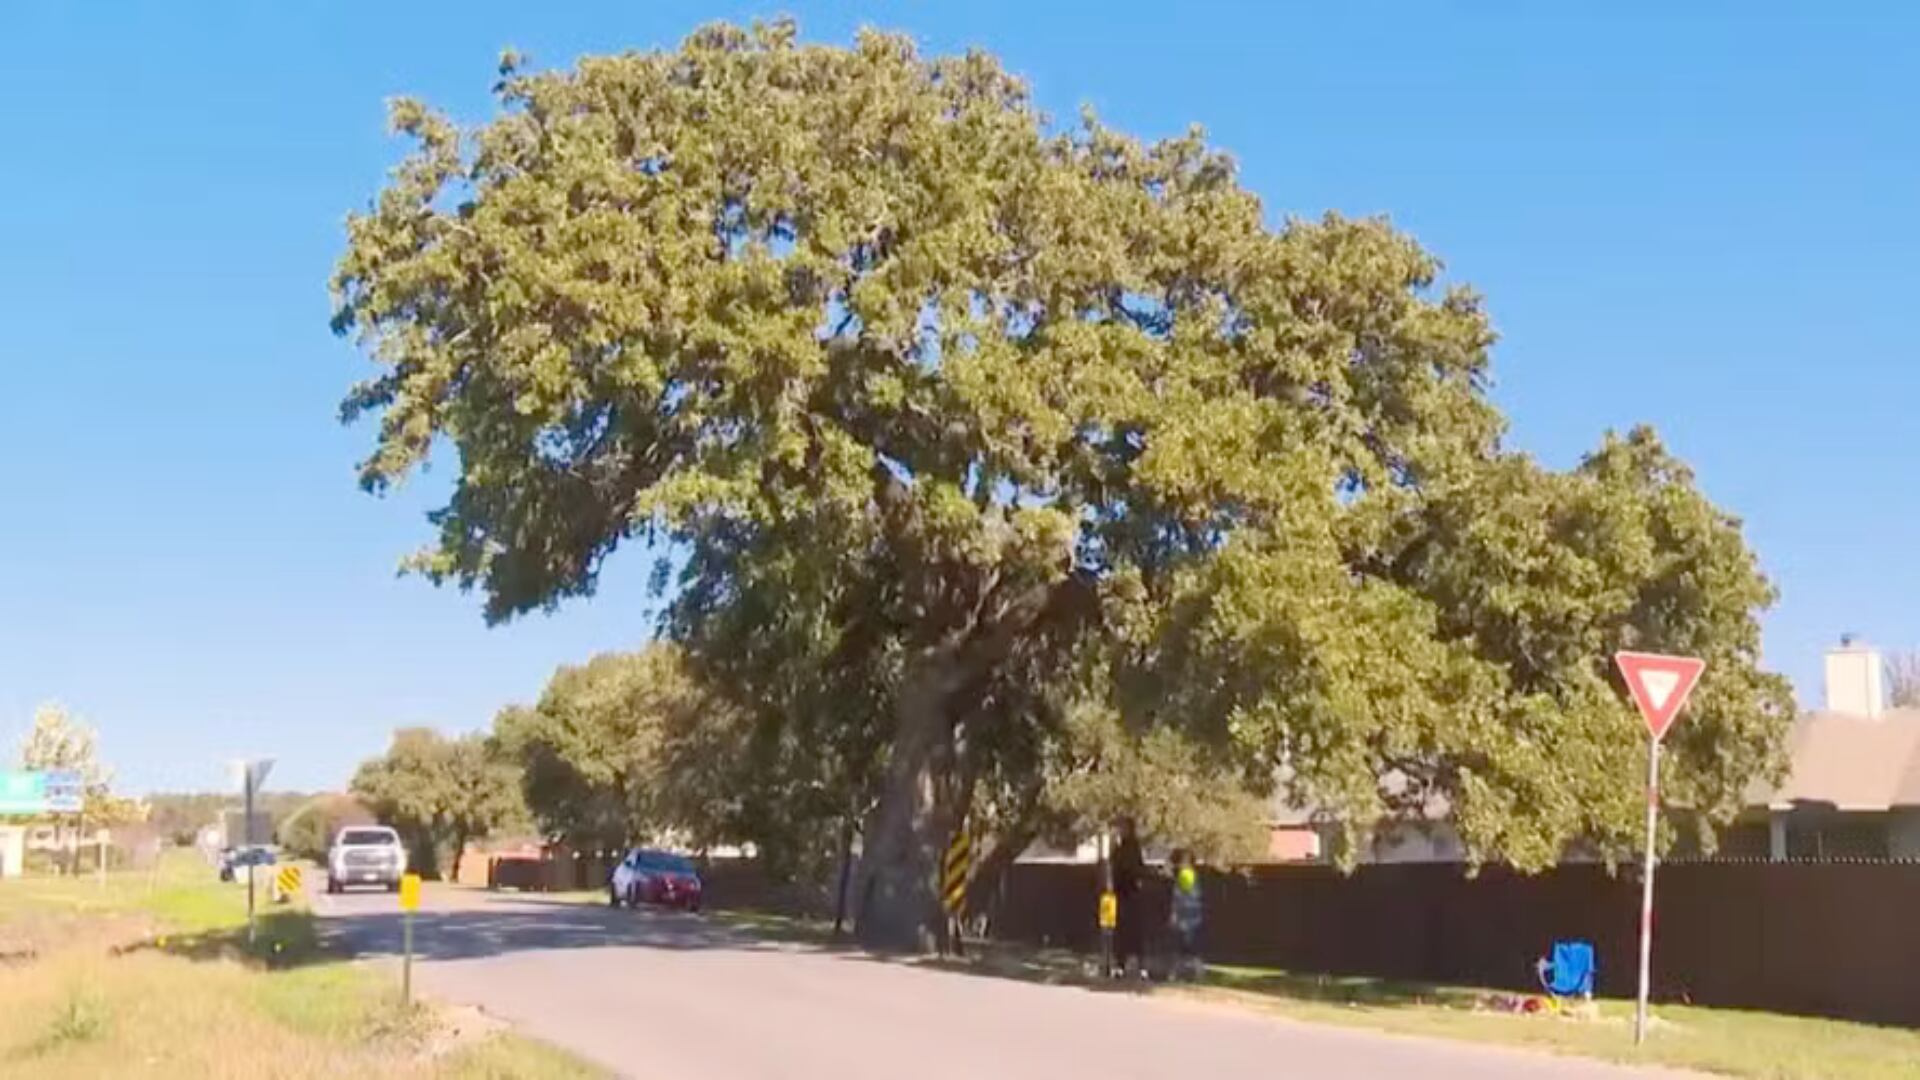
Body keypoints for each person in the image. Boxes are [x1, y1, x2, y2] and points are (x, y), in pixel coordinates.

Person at [1110, 816, 1145, 978]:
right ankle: (1120, 963)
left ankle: (1133, 962)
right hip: (1121, 892)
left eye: (1123, 827)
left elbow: (1134, 869)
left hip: (1129, 892)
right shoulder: (1119, 847)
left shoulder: (1132, 848)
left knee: (1131, 929)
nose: (1121, 831)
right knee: (1120, 929)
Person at [1168, 848, 1204, 982]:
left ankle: (1177, 973)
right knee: (1186, 947)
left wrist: (1175, 913)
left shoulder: (1186, 875)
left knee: (1185, 946)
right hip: (1190, 916)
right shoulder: (1189, 875)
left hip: (1187, 917)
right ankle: (1182, 973)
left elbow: (1181, 897)